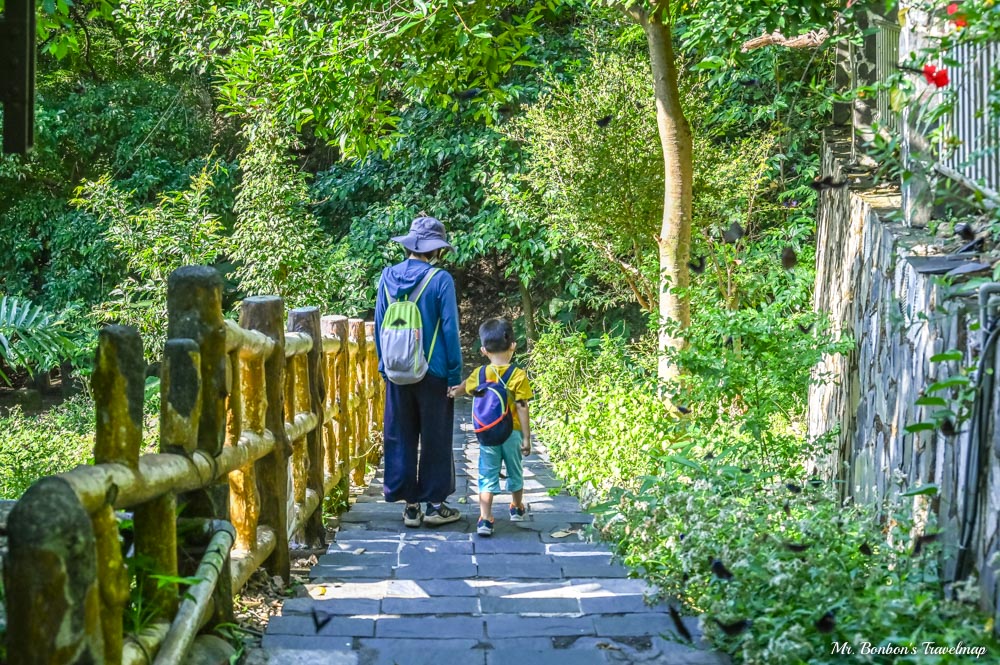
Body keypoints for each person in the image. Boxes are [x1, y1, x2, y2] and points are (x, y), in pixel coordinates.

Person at [374, 216, 463, 527]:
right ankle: (436, 506)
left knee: (401, 434)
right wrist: (455, 376)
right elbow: (450, 331)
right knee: (436, 436)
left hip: (398, 369)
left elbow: (379, 324)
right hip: (433, 371)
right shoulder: (440, 281)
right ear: (436, 250)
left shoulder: (386, 277)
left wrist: (385, 367)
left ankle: (411, 507)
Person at [448, 318, 533, 537]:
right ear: (513, 345)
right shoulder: (518, 375)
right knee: (515, 470)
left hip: (487, 434)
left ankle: (485, 519)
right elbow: (522, 407)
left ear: (484, 350)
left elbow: (464, 386)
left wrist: (453, 392)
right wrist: (526, 438)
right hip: (512, 433)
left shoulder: (480, 373)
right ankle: (516, 507)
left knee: (487, 474)